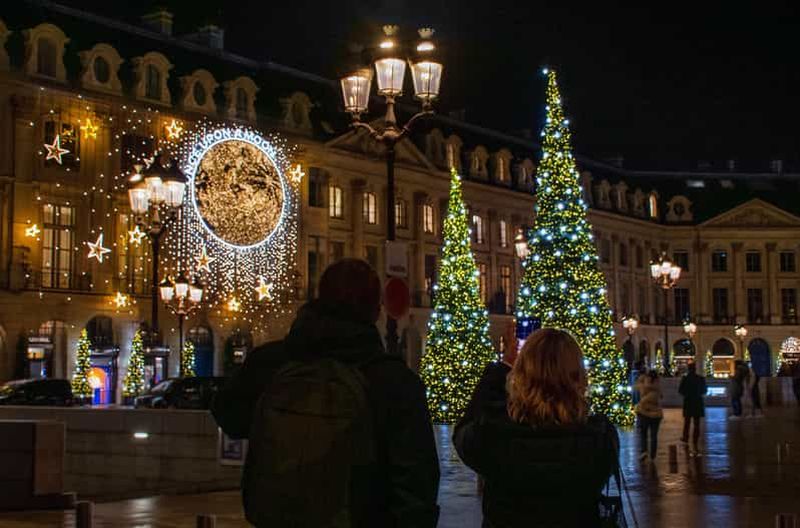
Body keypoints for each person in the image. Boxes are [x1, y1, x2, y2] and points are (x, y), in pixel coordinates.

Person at [211, 258, 440, 527]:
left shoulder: (270, 363)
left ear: (320, 298)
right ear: (376, 311)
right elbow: (416, 483)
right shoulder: (395, 381)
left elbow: (228, 415)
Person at [453, 328, 619, 527]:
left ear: (521, 375)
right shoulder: (600, 438)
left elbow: (464, 430)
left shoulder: (493, 435)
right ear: (579, 376)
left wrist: (502, 367)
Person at [635, 369, 663, 462]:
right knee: (653, 435)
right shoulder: (657, 387)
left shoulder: (643, 386)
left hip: (644, 413)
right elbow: (659, 397)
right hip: (655, 415)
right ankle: (652, 455)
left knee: (644, 434)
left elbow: (638, 388)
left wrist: (641, 403)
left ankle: (644, 452)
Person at [678, 362, 707, 451]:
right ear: (695, 369)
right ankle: (695, 439)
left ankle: (685, 437)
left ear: (688, 369)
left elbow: (680, 390)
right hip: (698, 402)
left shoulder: (685, 379)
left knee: (687, 422)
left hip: (688, 402)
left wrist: (687, 394)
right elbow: (704, 390)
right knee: (697, 423)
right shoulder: (700, 379)